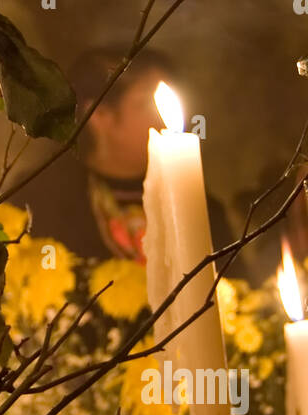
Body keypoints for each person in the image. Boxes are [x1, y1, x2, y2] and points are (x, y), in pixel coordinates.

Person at [25, 46, 231, 263]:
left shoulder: (195, 201)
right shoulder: (43, 200)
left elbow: (236, 286)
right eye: (146, 104)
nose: (164, 120)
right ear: (100, 115)